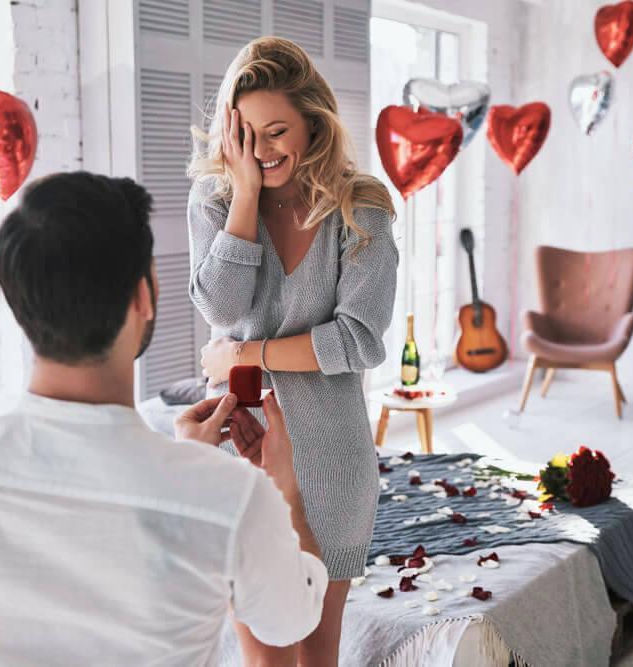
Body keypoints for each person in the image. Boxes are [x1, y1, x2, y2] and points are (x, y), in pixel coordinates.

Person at [0, 172, 327, 666]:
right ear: (143, 298)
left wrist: (189, 464)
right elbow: (291, 619)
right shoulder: (231, 497)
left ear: (18, 303)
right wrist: (286, 496)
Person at [187, 37, 398, 664]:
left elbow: (358, 340)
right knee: (265, 659)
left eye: (276, 130)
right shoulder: (217, 201)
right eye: (244, 134)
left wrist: (248, 357)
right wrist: (246, 198)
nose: (260, 149)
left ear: (315, 119)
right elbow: (220, 308)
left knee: (316, 657)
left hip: (332, 466)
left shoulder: (361, 209)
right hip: (240, 457)